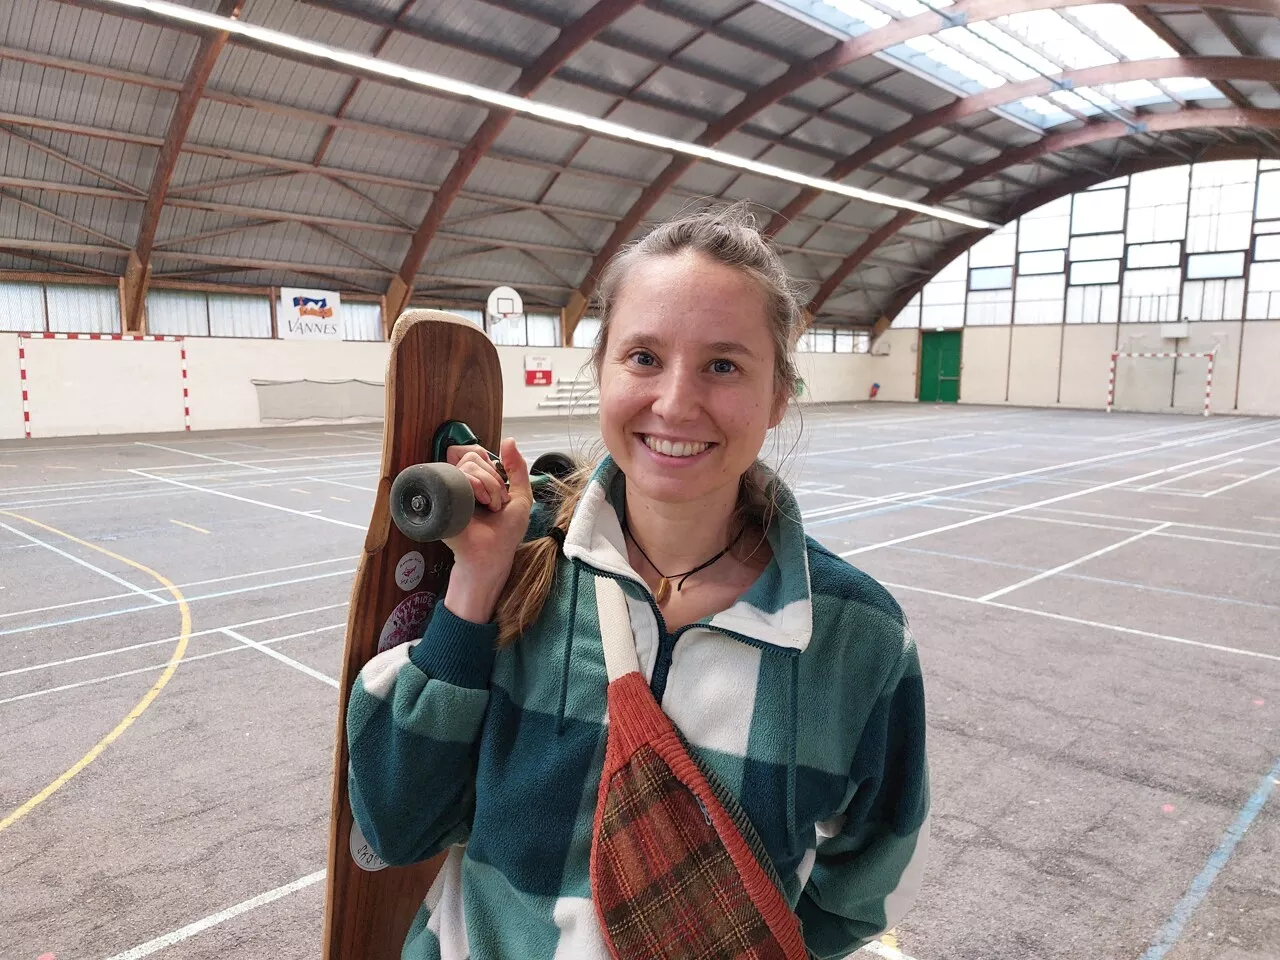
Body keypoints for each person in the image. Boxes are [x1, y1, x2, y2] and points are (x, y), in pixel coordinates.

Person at [346, 205, 929, 960]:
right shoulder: (521, 568)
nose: (676, 403)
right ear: (602, 374)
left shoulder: (857, 638)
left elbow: (862, 893)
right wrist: (474, 589)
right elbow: (393, 824)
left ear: (779, 394)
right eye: (644, 358)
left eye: (723, 365)